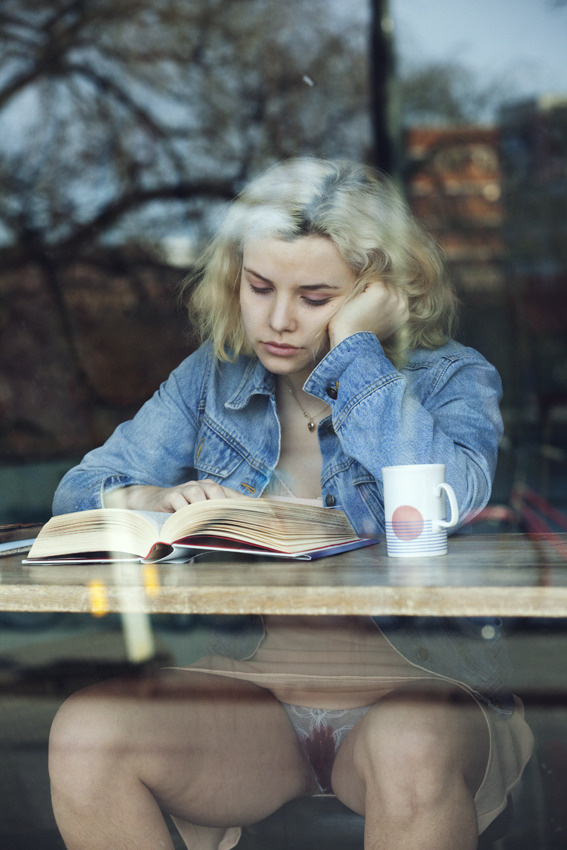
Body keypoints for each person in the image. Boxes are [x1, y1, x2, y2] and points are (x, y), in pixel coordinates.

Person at [48, 158, 532, 850]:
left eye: (314, 297)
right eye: (258, 286)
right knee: (85, 734)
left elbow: (441, 498)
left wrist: (355, 352)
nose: (277, 320)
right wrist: (153, 496)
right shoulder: (211, 382)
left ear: (379, 291)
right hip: (253, 699)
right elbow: (78, 491)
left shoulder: (451, 377)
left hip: (415, 693)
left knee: (408, 745)